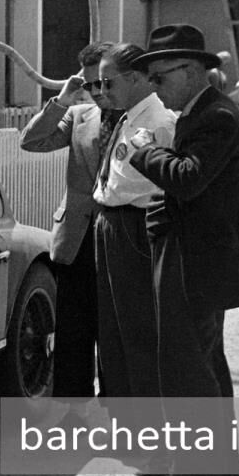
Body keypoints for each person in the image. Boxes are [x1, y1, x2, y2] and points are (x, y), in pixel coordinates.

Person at [129, 24, 239, 476]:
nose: (155, 87)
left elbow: (187, 179)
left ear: (190, 71)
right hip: (195, 252)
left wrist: (144, 152)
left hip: (197, 257)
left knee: (187, 368)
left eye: (160, 77)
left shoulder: (216, 118)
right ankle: (217, 469)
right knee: (203, 365)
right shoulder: (202, 113)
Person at [19, 40, 117, 400]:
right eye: (91, 85)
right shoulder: (79, 116)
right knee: (73, 335)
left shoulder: (138, 118)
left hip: (120, 239)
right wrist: (63, 98)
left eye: (104, 84)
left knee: (113, 336)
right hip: (77, 239)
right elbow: (31, 141)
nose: (98, 92)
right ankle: (74, 414)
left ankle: (115, 414)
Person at [91, 43, 175, 401]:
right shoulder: (129, 117)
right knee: (110, 329)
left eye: (109, 83)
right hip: (109, 221)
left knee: (137, 329)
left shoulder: (160, 122)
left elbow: (171, 183)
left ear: (136, 78)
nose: (103, 92)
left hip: (135, 226)